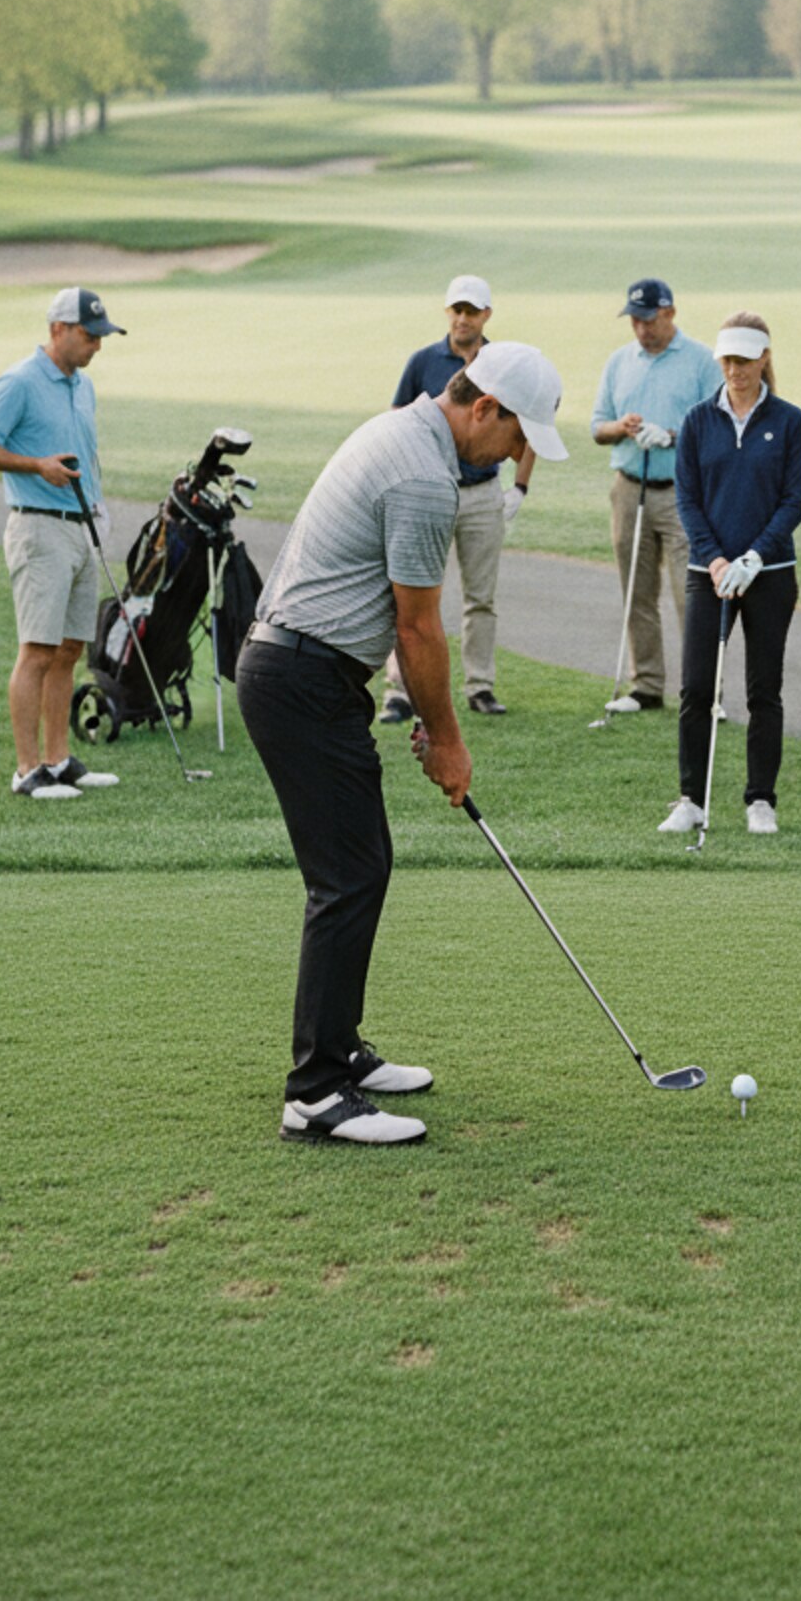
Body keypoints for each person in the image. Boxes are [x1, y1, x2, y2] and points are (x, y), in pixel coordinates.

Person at [237, 342, 569, 1147]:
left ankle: (341, 1049)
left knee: (361, 866)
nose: (518, 455)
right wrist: (449, 741)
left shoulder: (404, 431)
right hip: (301, 681)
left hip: (307, 672)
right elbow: (421, 629)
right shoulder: (425, 477)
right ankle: (315, 1092)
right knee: (347, 878)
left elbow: (380, 600)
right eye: (518, 436)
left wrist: (424, 711)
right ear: (484, 407)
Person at [0, 287, 128, 801]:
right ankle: (26, 770)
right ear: (58, 329)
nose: (96, 346)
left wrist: (97, 504)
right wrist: (37, 466)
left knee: (69, 649)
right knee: (37, 650)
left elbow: (86, 454)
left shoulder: (84, 386)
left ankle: (58, 762)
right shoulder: (19, 382)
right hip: (38, 527)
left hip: (80, 526)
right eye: (89, 335)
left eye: (101, 337)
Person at [662, 312, 801, 836]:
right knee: (697, 688)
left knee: (763, 690)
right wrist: (719, 558)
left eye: (745, 361)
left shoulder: (789, 420)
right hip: (709, 573)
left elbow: (794, 501)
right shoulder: (699, 421)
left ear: (764, 358)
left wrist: (755, 556)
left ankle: (760, 801)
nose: (735, 370)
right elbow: (688, 498)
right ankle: (692, 800)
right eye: (727, 360)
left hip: (770, 574)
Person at [377, 274, 535, 723]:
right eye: (456, 310)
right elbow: (398, 421)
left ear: (487, 314)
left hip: (483, 492)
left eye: (471, 311)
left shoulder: (502, 363)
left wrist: (519, 487)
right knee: (409, 592)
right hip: (429, 491)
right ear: (448, 312)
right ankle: (399, 691)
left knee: (480, 596)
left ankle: (480, 686)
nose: (462, 319)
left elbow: (529, 430)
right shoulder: (423, 361)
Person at [590, 277, 720, 712]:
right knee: (637, 591)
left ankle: (705, 693)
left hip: (685, 495)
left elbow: (716, 429)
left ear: (669, 313)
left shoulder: (701, 361)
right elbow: (597, 427)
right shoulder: (619, 362)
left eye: (648, 319)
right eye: (634, 320)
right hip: (630, 488)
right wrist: (621, 428)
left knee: (693, 596)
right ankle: (646, 686)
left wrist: (671, 435)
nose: (641, 329)